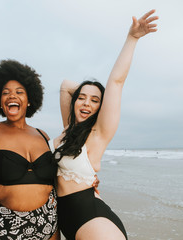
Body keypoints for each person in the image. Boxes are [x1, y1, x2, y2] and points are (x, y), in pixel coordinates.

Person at [49, 10, 159, 240]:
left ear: (101, 108)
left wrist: (132, 38)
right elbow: (65, 85)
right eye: (82, 98)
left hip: (91, 217)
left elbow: (116, 82)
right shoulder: (68, 129)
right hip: (65, 218)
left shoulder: (98, 133)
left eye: (95, 100)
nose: (86, 103)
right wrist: (89, 94)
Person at [0, 59, 60, 239]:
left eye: (19, 92)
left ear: (29, 101)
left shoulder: (43, 135)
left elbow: (58, 176)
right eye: (6, 93)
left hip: (47, 221)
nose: (12, 96)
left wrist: (86, 179)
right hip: (0, 223)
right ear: (0, 101)